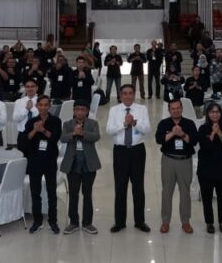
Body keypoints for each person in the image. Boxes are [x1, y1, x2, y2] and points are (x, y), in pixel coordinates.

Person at [106, 84, 151, 233]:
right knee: (120, 187)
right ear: (120, 95)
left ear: (134, 94)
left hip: (137, 151)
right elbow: (109, 130)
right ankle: (120, 222)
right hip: (120, 151)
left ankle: (140, 221)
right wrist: (124, 124)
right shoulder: (114, 110)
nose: (128, 96)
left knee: (138, 187)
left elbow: (148, 129)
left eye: (130, 93)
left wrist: (134, 123)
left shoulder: (142, 109)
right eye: (124, 93)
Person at [155, 98, 197, 234]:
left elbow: (194, 141)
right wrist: (173, 133)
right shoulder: (164, 123)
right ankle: (165, 222)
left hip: (185, 161)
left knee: (185, 193)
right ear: (169, 110)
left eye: (178, 108)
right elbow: (159, 140)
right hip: (168, 160)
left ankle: (186, 222)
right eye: (173, 109)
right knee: (167, 192)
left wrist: (182, 134)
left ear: (182, 108)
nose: (176, 110)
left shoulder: (189, 123)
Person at [21, 95, 61, 234]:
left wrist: (43, 130)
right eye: (41, 105)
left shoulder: (55, 121)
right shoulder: (31, 121)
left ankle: (53, 221)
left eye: (46, 105)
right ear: (37, 106)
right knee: (35, 193)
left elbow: (55, 138)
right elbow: (25, 140)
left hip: (49, 160)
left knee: (52, 193)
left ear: (49, 106)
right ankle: (37, 221)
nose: (43, 107)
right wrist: (35, 130)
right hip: (34, 161)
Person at [60, 99, 101, 234]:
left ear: (87, 111)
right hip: (73, 164)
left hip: (89, 164)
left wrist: (82, 133)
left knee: (87, 193)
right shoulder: (67, 124)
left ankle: (88, 223)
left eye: (83, 109)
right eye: (77, 109)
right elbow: (63, 138)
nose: (80, 112)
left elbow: (96, 136)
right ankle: (73, 222)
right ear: (73, 110)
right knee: (73, 194)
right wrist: (74, 133)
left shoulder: (92, 123)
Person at [197, 102, 222, 234]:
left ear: (221, 114)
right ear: (208, 114)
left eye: (217, 112)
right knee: (207, 198)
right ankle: (209, 223)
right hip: (206, 169)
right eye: (212, 112)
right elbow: (205, 146)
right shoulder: (203, 129)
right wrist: (213, 132)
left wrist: (220, 133)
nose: (215, 114)